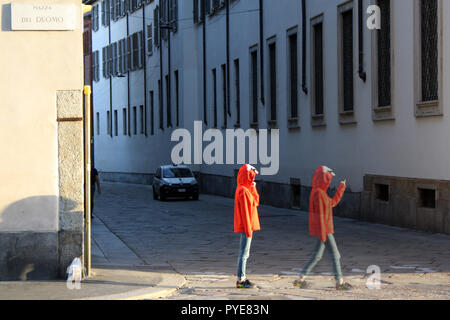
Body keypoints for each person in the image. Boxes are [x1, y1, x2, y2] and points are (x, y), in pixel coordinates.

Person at [293, 166, 353, 291]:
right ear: (324, 178)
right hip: (324, 230)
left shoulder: (319, 192)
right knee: (335, 255)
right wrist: (323, 234)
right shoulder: (319, 193)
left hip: (324, 229)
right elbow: (320, 215)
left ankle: (301, 279)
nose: (329, 181)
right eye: (329, 178)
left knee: (317, 256)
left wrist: (341, 187)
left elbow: (332, 203)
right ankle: (339, 282)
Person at [234, 164, 260, 289]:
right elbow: (245, 212)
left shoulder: (245, 188)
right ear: (247, 176)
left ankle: (242, 278)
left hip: (248, 226)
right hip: (246, 227)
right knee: (243, 254)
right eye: (252, 176)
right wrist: (248, 230)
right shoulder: (243, 191)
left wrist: (253, 188)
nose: (253, 179)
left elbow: (256, 202)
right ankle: (240, 280)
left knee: (245, 253)